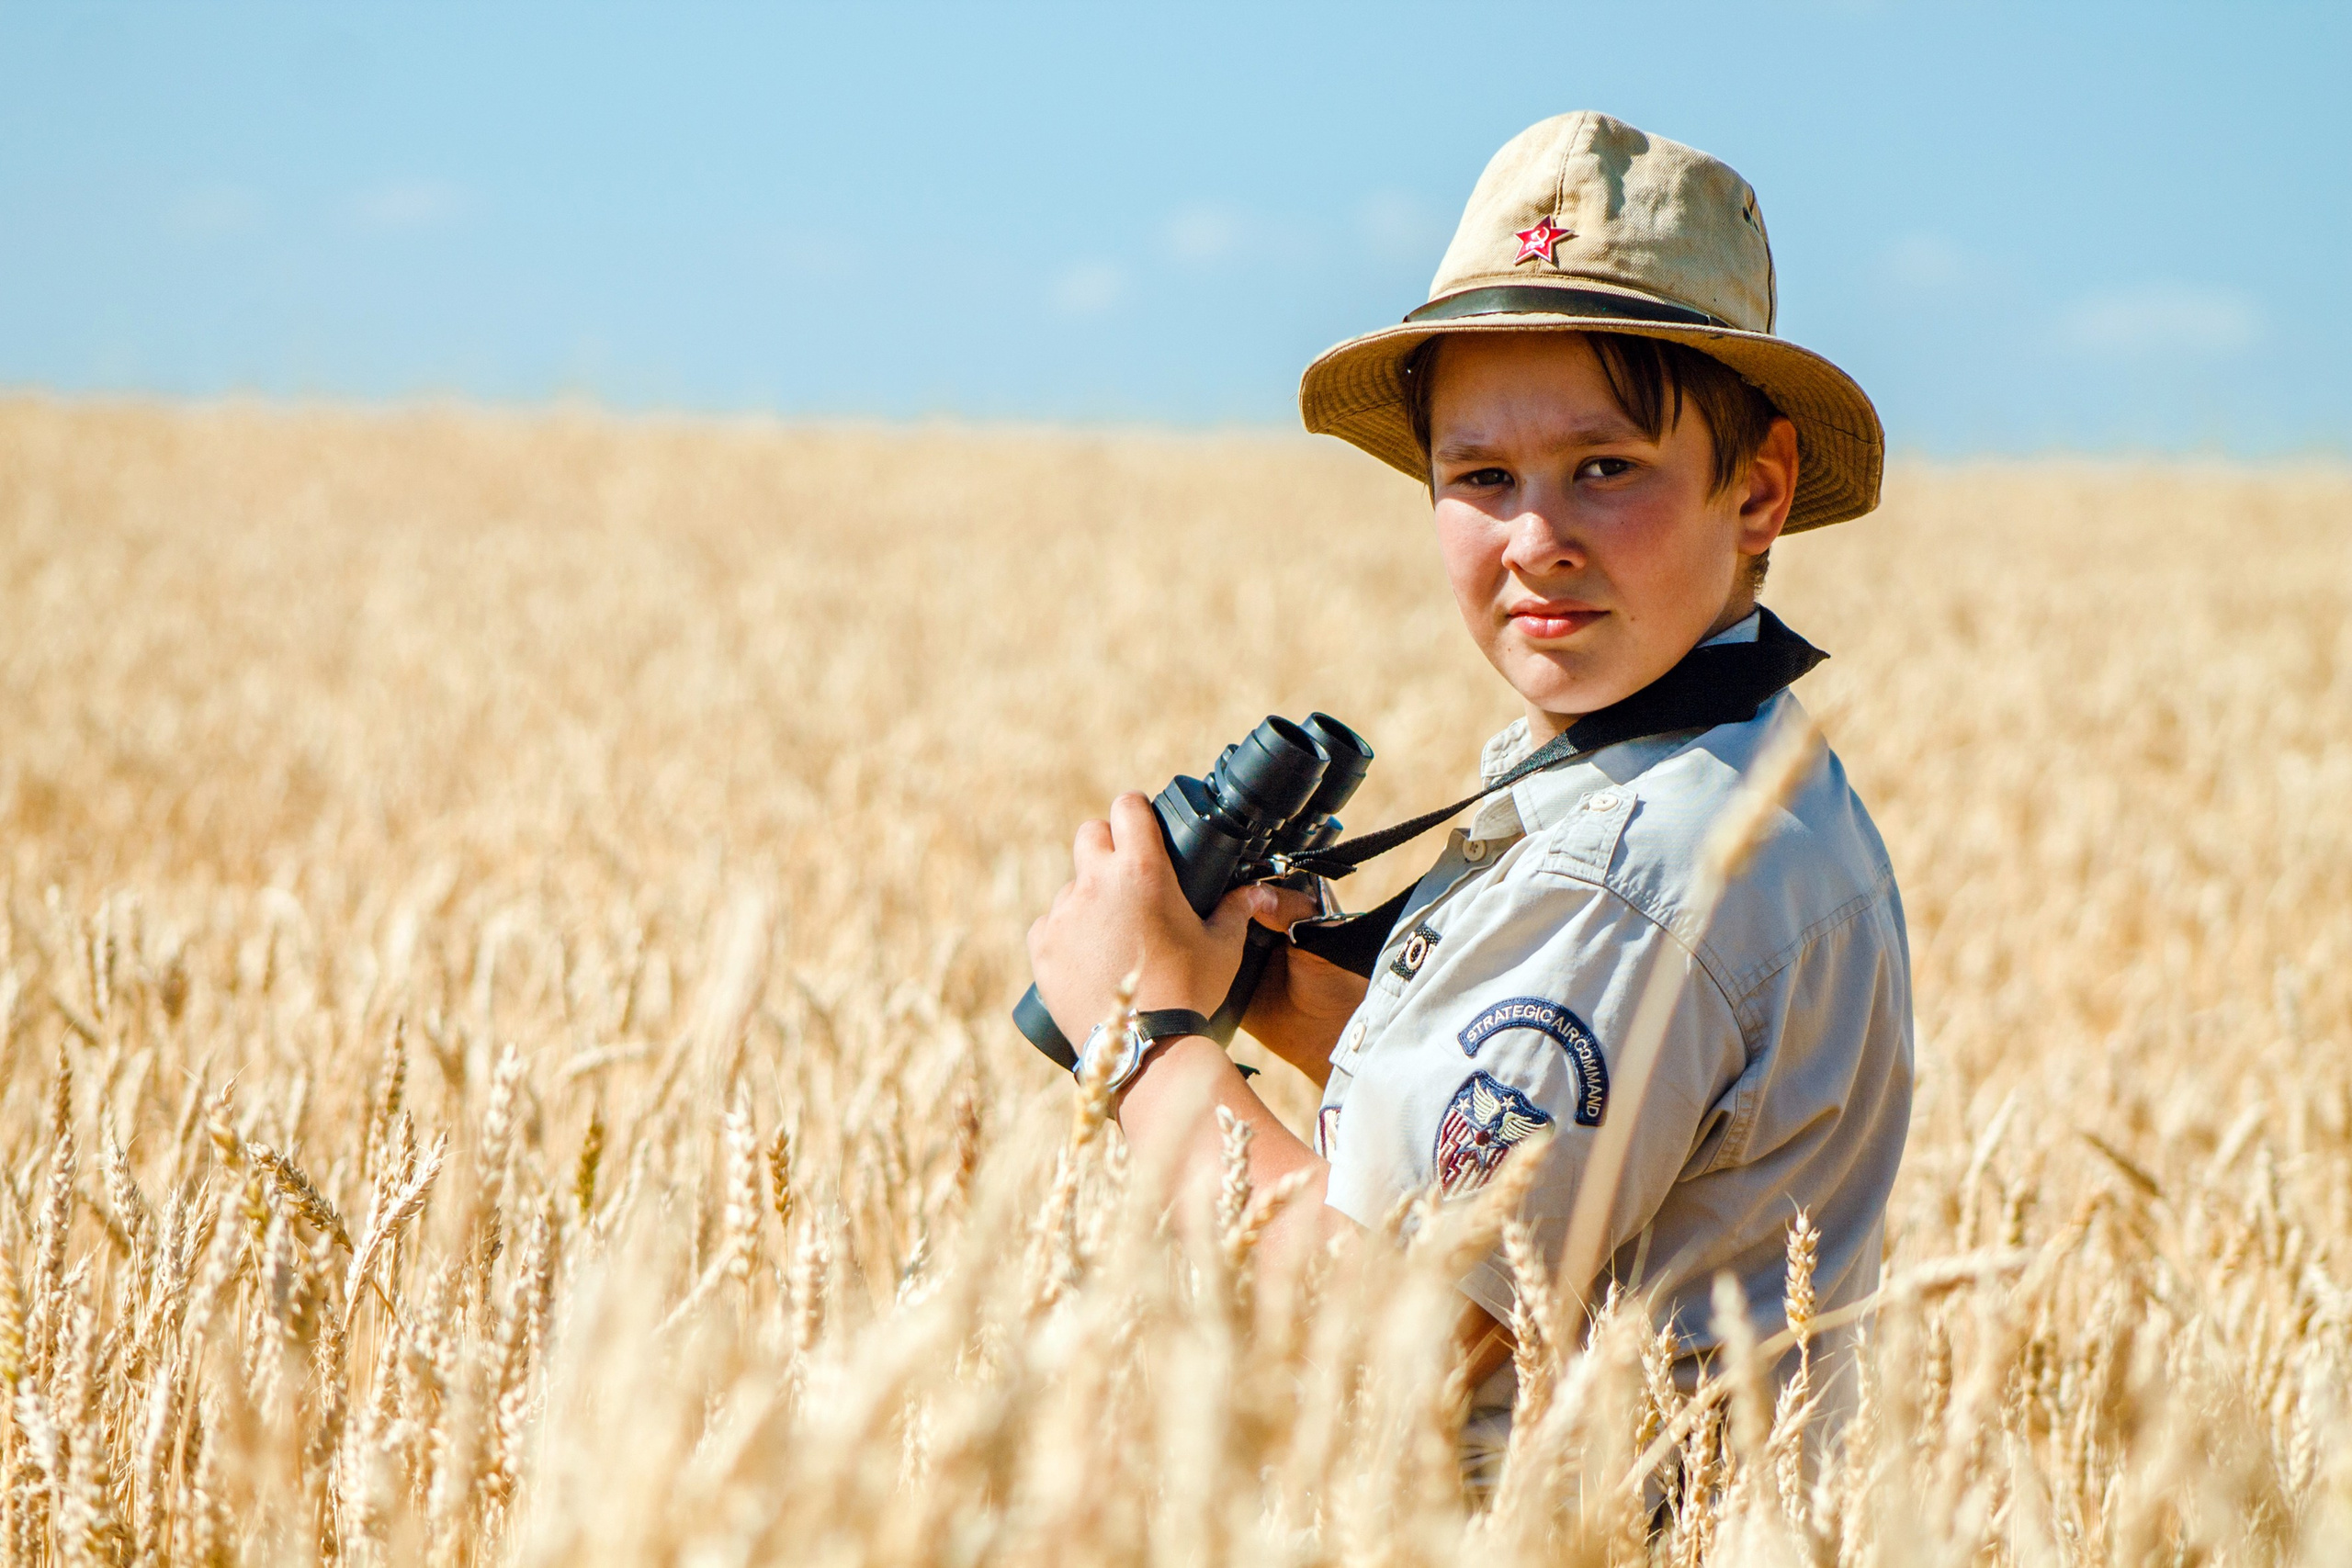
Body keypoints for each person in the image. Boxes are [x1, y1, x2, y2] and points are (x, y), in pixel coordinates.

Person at [1023, 110, 1912, 1458]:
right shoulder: (1733, 775)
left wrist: (1138, 1040)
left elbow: (1383, 1341)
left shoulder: (1635, 871)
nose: (1536, 539)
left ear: (1760, 489)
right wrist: (1259, 987)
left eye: (1604, 468)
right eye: (1481, 477)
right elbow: (1552, 1139)